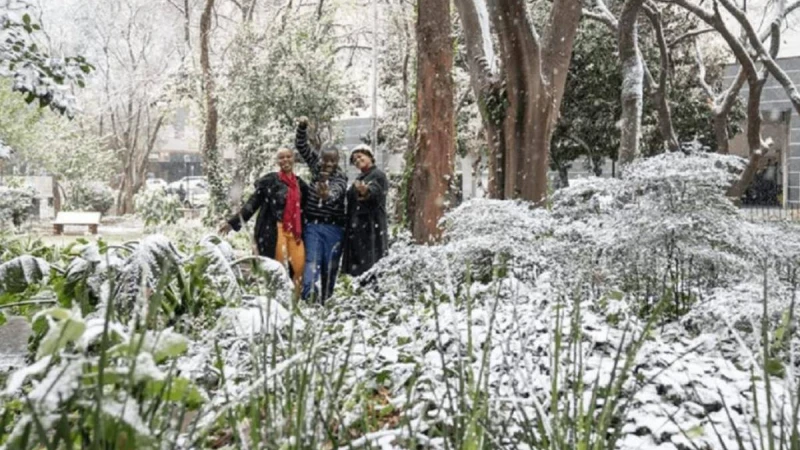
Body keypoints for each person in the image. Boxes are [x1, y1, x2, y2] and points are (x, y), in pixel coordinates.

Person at [218, 148, 309, 292]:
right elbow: (252, 203)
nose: (285, 160)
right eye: (281, 157)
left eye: (288, 157)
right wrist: (232, 223)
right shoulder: (270, 182)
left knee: (299, 266)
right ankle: (276, 297)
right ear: (277, 161)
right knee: (276, 267)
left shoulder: (300, 185)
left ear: (293, 159)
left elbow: (308, 208)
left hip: (295, 231)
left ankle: (295, 299)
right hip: (274, 229)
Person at [294, 116, 348, 303]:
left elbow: (337, 192)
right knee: (312, 262)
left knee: (330, 267)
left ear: (337, 160)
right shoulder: (316, 167)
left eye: (332, 160)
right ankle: (309, 297)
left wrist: (327, 195)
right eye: (325, 160)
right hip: (313, 227)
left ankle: (326, 301)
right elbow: (301, 146)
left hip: (334, 228)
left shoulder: (340, 177)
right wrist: (302, 127)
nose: (328, 164)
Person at [342, 144, 389, 277]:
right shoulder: (359, 178)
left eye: (360, 156)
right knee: (358, 269)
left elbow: (375, 191)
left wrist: (366, 192)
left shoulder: (378, 175)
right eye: (354, 160)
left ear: (369, 156)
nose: (357, 160)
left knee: (370, 268)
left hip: (370, 230)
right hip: (357, 231)